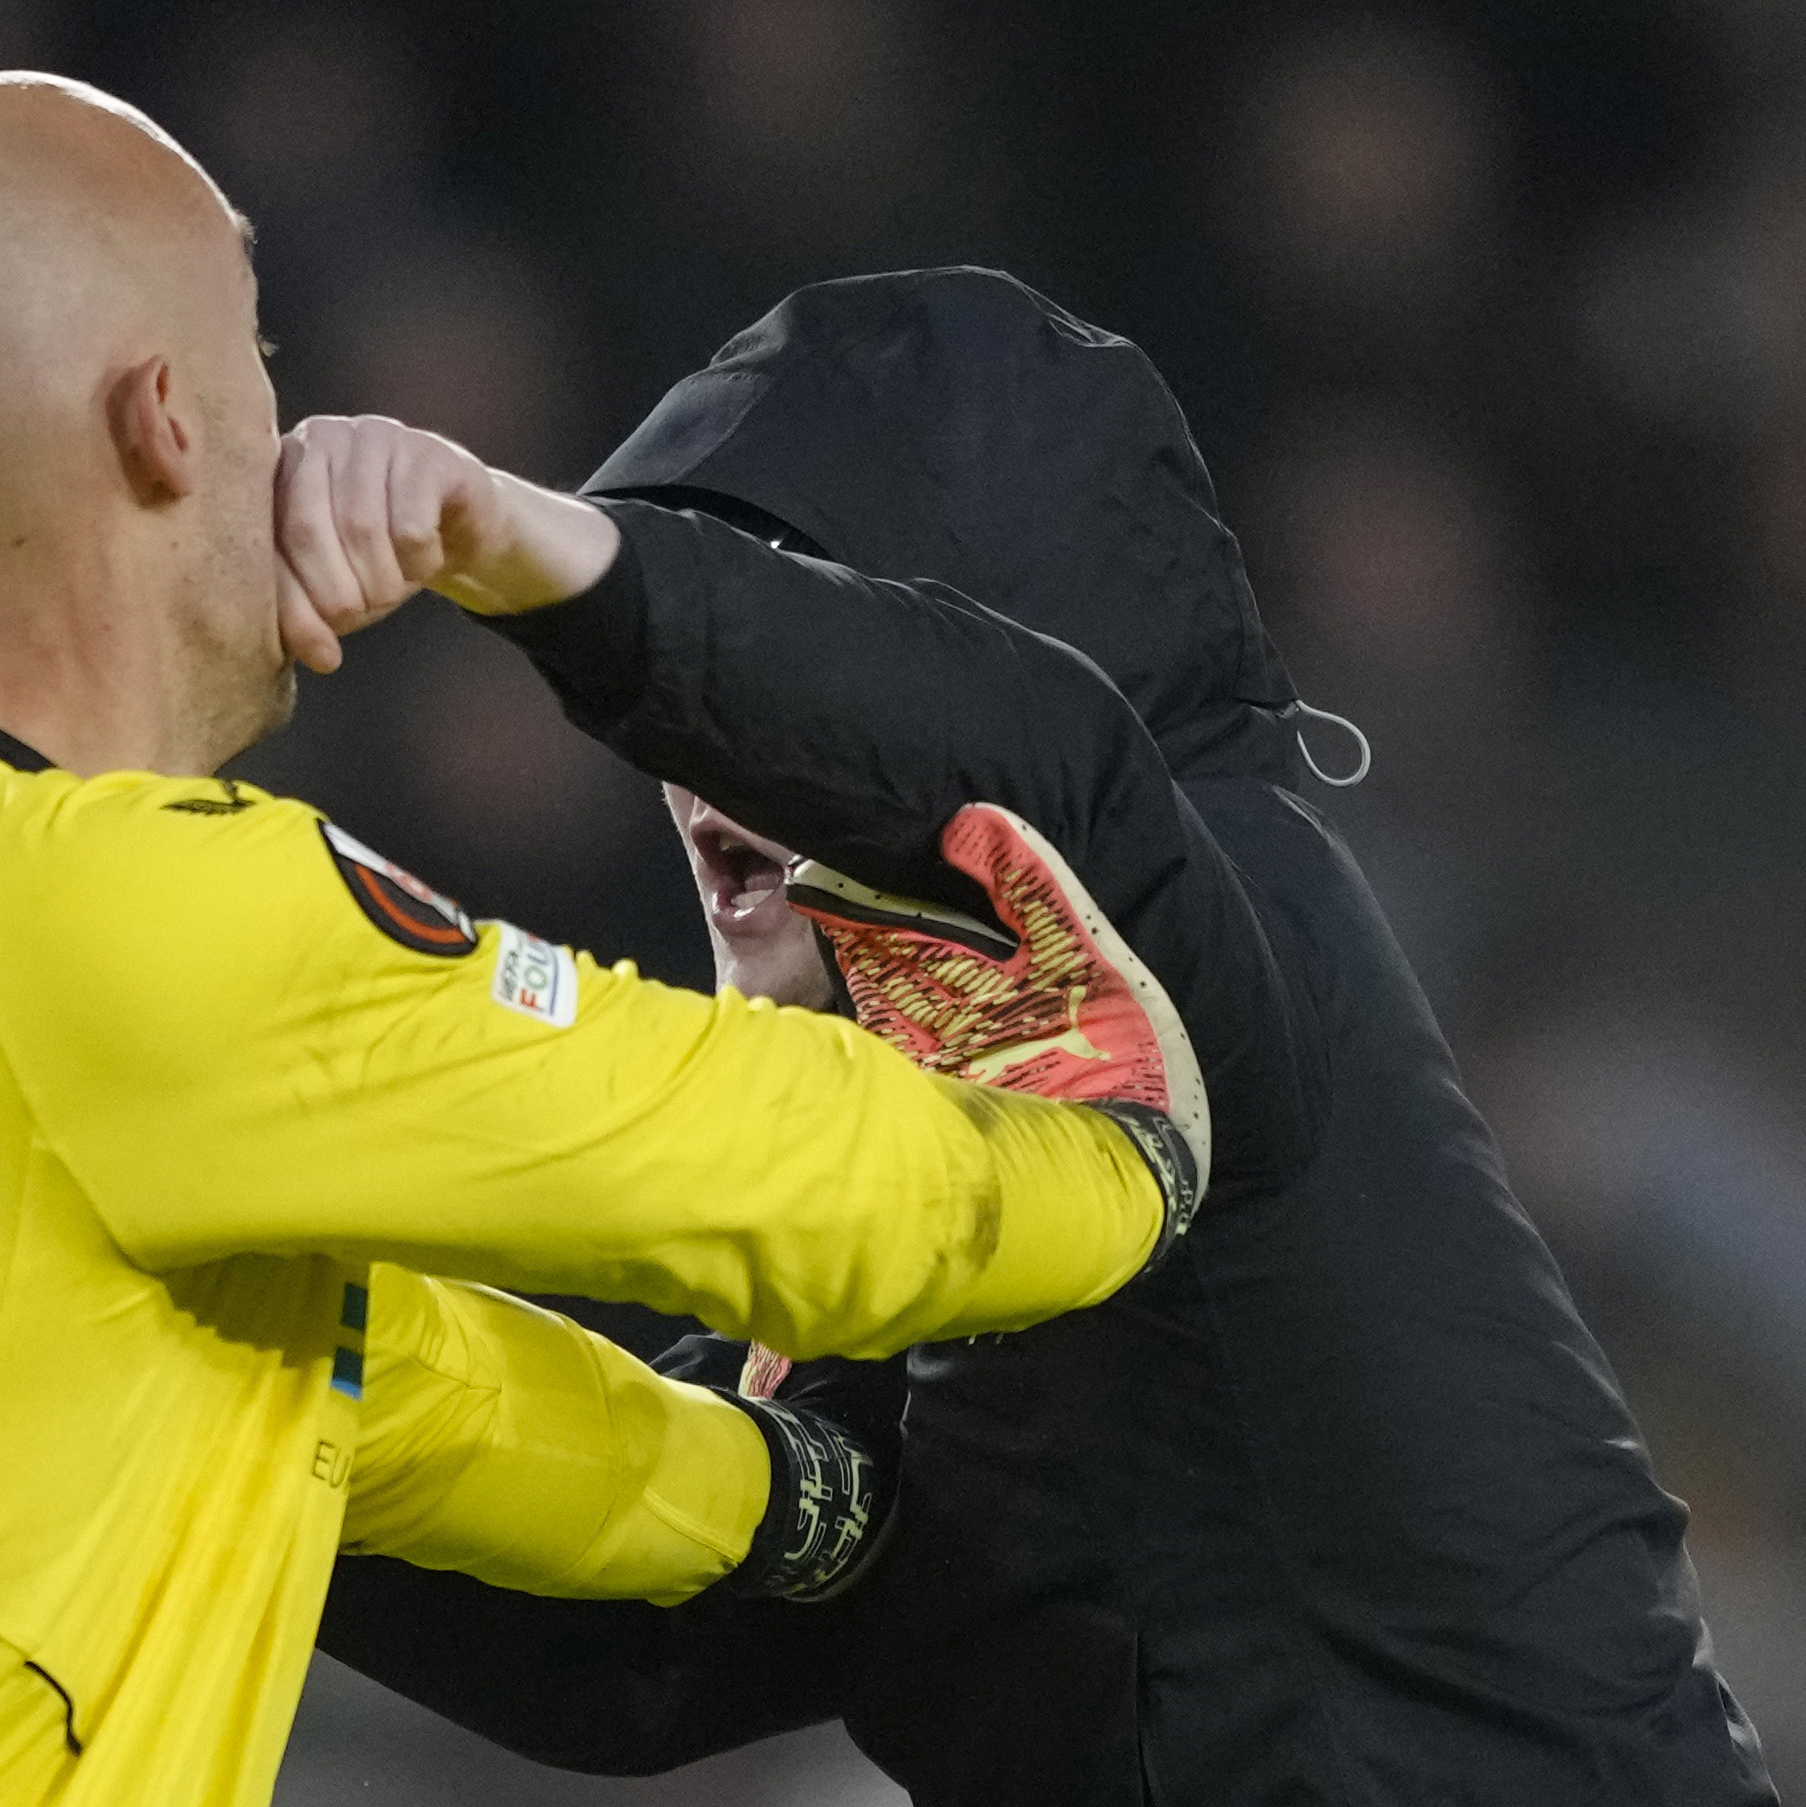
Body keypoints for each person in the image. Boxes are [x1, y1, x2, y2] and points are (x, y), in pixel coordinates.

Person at [0, 87, 1211, 1807]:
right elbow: (760, 1160)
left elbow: (398, 1392)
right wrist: (1116, 1158)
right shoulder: (111, 913)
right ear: (165, 420)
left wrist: (785, 1498)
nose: (292, 432)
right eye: (258, 361)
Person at [305, 270, 1777, 1804]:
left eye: (788, 608)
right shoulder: (902, 1193)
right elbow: (650, 1644)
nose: (674, 761)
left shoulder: (1233, 905)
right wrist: (232, 1385)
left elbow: (1028, 759)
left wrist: (536, 552)